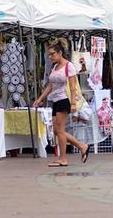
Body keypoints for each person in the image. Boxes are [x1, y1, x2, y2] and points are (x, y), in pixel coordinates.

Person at [33, 38, 90, 167]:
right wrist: (40, 98)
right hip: (55, 100)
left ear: (60, 53)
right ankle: (82, 146)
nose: (50, 56)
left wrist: (74, 103)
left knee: (60, 130)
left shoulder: (68, 66)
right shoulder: (55, 67)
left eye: (52, 54)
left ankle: (63, 158)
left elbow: (73, 85)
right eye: (49, 54)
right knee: (57, 130)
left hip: (64, 100)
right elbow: (50, 86)